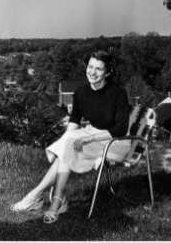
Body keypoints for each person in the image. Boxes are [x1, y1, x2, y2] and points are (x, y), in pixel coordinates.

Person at [11, 50, 131, 223]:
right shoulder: (81, 92)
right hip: (92, 133)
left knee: (67, 147)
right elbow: (74, 121)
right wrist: (62, 142)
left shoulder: (118, 93)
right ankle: (53, 200)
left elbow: (120, 128)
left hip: (115, 142)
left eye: (99, 69)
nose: (93, 72)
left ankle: (37, 197)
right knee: (67, 145)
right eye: (90, 67)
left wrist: (89, 139)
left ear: (108, 72)